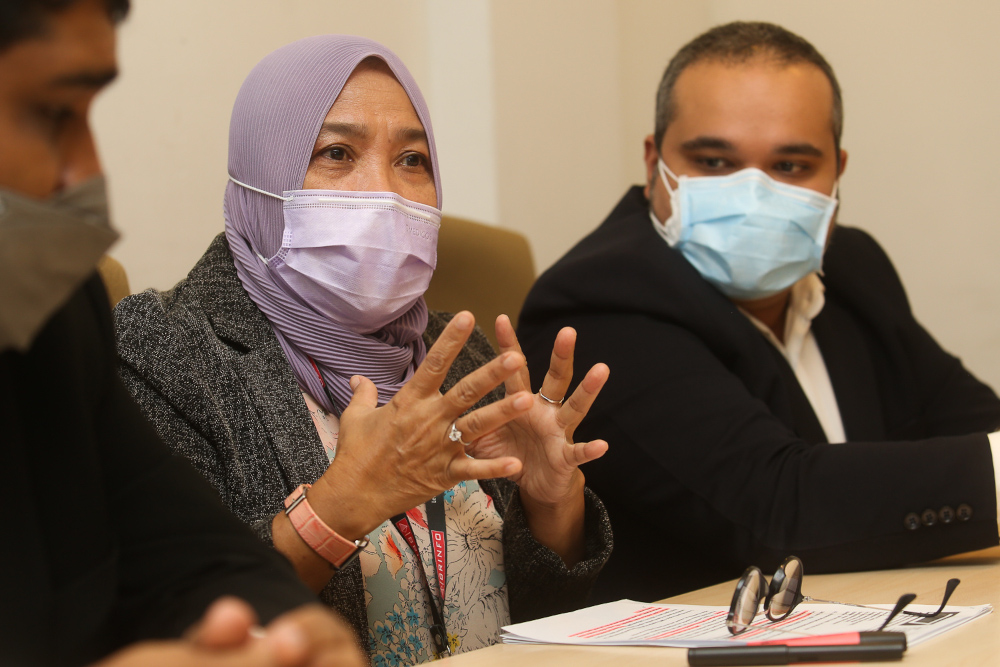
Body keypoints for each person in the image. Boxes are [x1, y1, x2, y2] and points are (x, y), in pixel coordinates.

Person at [113, 35, 613, 664]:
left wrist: (549, 509)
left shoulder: (452, 349)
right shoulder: (162, 352)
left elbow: (538, 625)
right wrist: (339, 506)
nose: (384, 191)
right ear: (259, 179)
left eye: (412, 160)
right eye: (337, 153)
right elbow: (171, 628)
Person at [518, 21, 1000, 604]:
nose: (752, 195)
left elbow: (975, 423)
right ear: (653, 163)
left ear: (837, 173)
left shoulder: (852, 266)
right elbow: (777, 504)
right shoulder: (598, 298)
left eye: (791, 167)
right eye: (715, 163)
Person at [0, 1, 367, 666]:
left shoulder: (54, 307)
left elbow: (194, 552)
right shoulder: (165, 336)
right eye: (54, 114)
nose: (85, 176)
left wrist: (284, 636)